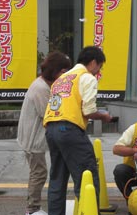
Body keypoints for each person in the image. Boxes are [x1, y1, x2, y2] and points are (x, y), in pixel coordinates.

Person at [43, 46, 113, 215]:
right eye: (99, 67)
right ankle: (89, 212)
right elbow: (88, 110)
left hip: (51, 128)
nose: (98, 72)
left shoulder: (61, 79)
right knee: (87, 175)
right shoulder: (87, 78)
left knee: (57, 179)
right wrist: (104, 116)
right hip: (69, 129)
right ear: (93, 62)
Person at [17, 51, 72, 215]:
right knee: (39, 173)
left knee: (38, 172)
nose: (65, 75)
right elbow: (49, 114)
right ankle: (32, 208)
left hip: (33, 139)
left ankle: (33, 207)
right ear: (55, 70)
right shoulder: (41, 88)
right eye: (63, 71)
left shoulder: (44, 84)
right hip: (33, 140)